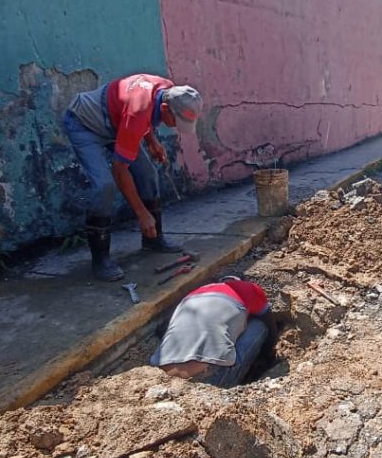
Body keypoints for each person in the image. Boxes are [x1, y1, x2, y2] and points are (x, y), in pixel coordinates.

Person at [63, 74, 203, 281]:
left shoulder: (167, 91)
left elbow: (143, 114)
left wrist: (152, 141)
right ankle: (100, 260)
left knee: (148, 174)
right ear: (166, 109)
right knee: (104, 186)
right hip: (84, 123)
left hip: (117, 122)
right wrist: (141, 213)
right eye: (176, 121)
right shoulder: (138, 112)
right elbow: (120, 170)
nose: (175, 126)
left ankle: (153, 240)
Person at [150, 277, 271, 387]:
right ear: (240, 281)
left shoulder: (193, 294)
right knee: (258, 325)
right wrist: (271, 352)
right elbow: (268, 319)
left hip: (162, 376)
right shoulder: (248, 288)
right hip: (209, 379)